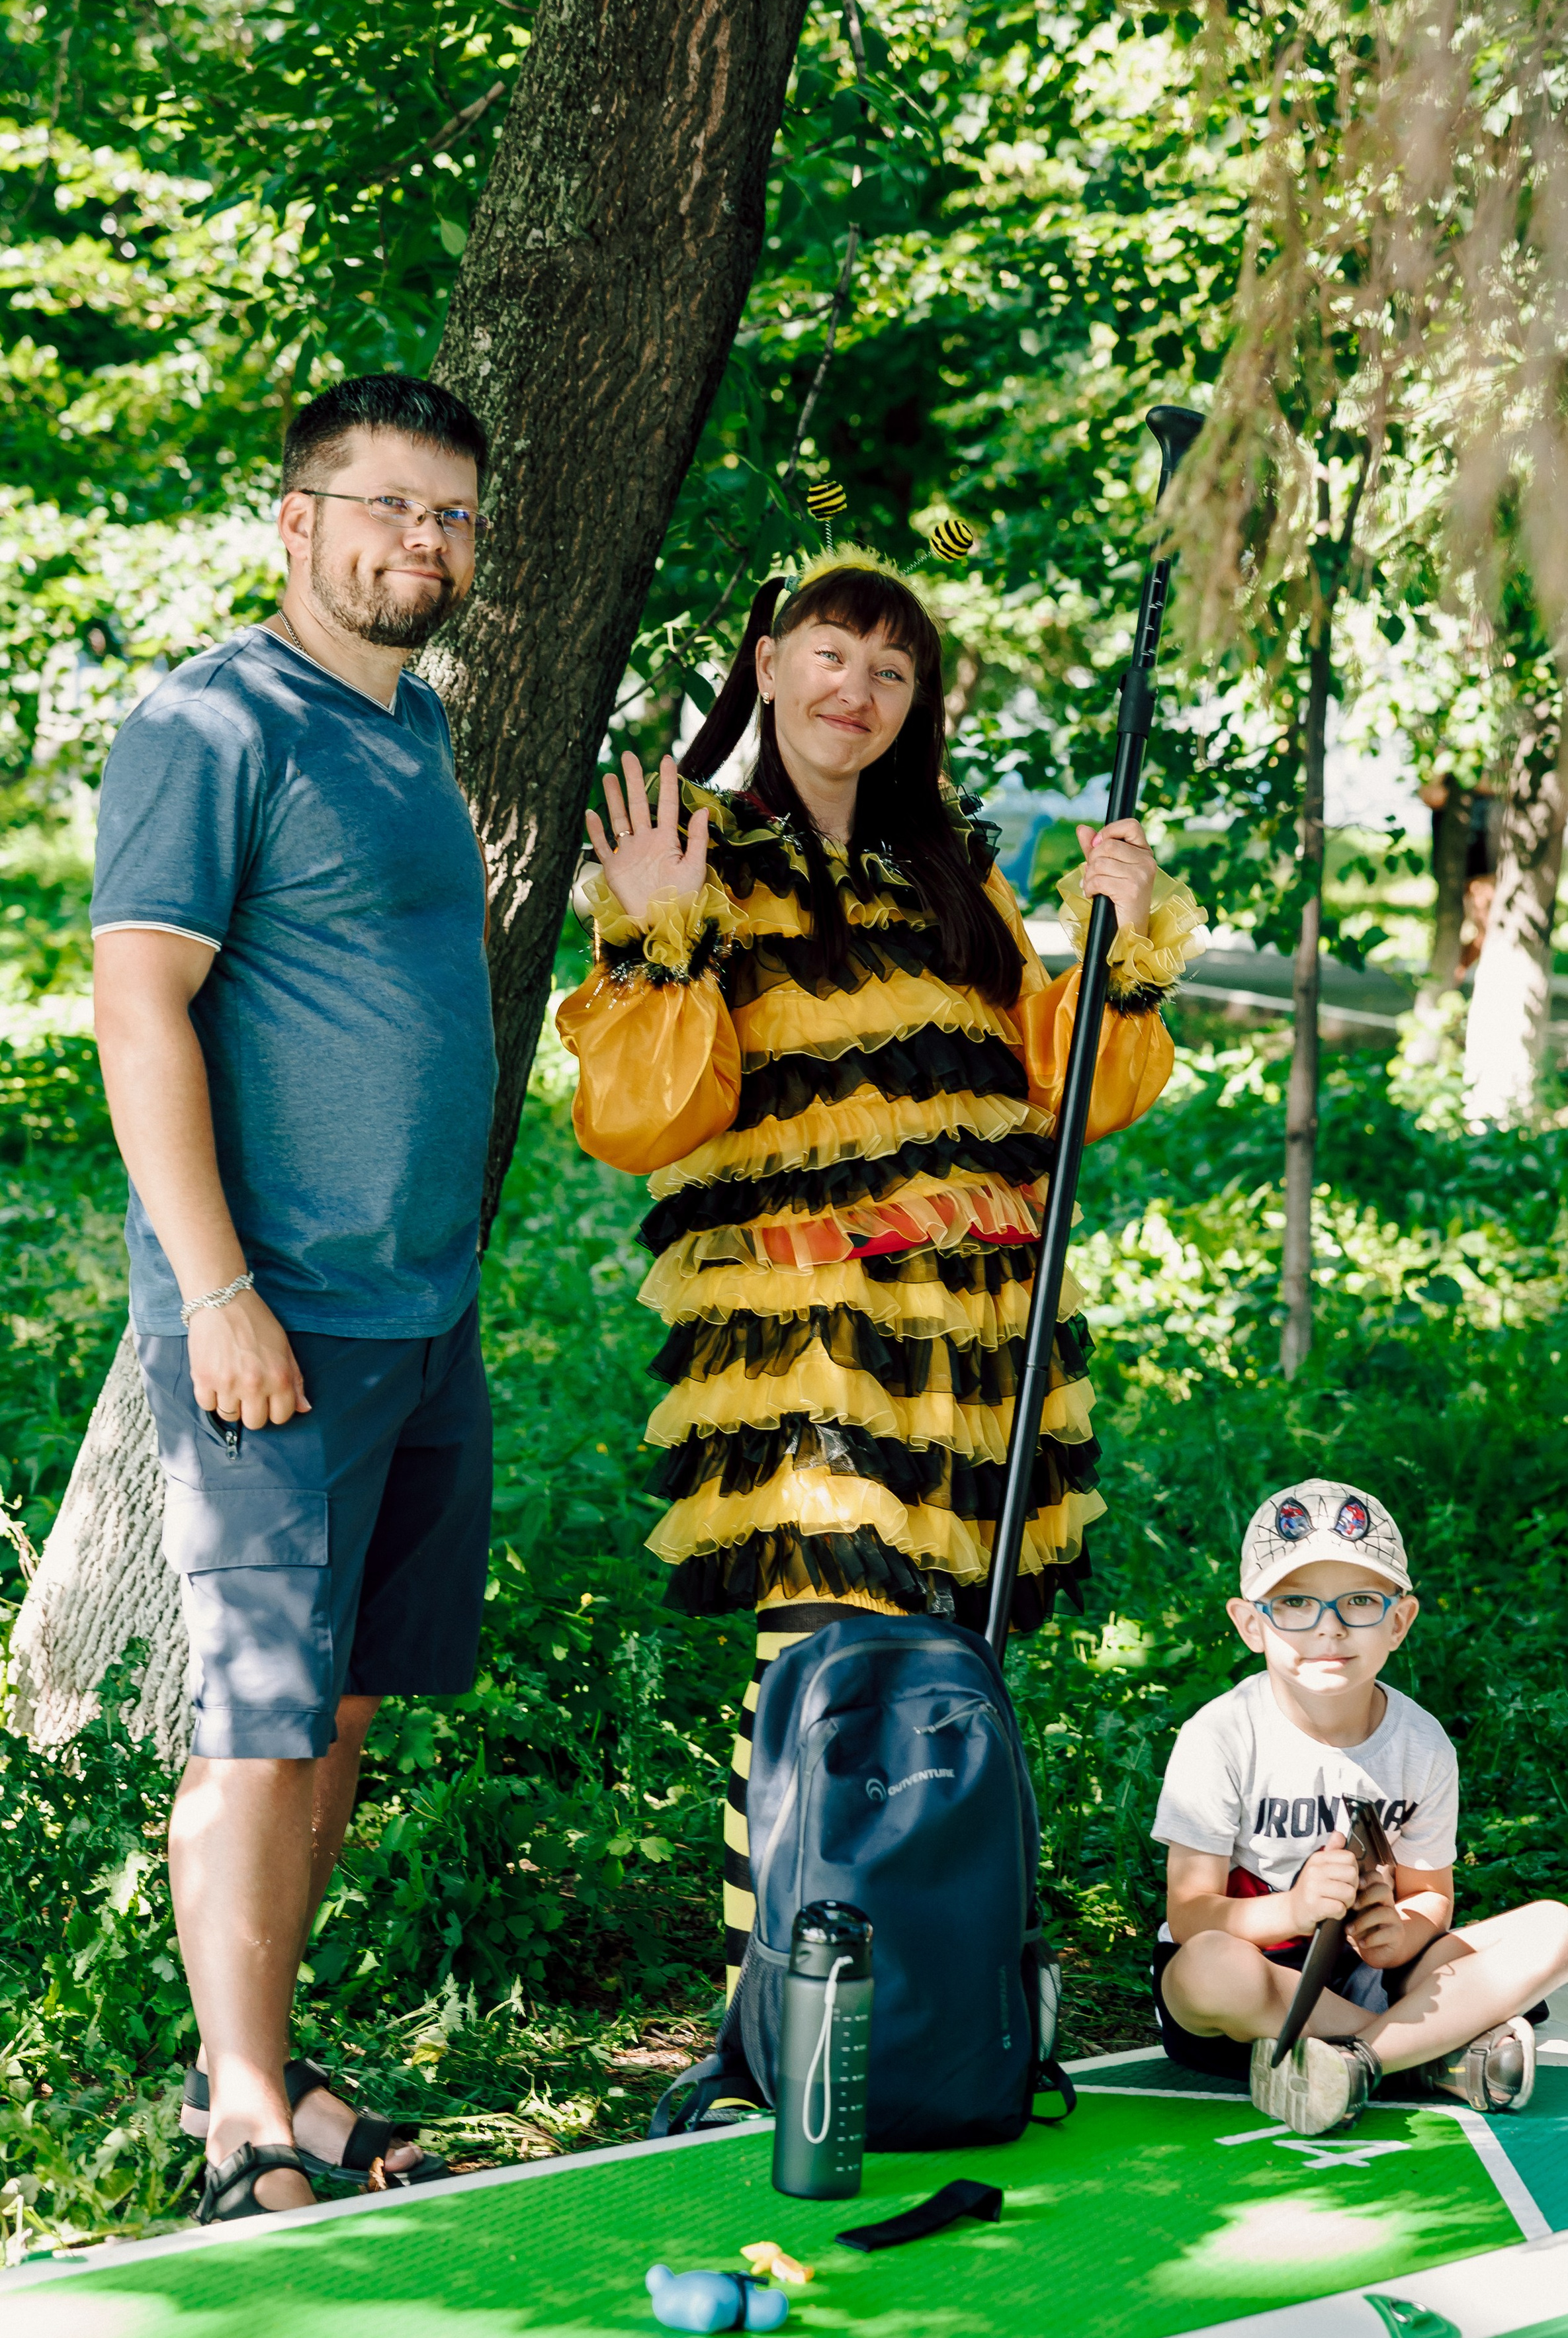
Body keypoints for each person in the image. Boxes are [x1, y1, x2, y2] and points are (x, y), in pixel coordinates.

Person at [554, 544, 1205, 1986]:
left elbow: (1065, 1090)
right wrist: (660, 937)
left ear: (918, 706)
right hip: (807, 1332)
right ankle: (766, 2009)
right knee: (820, 1670)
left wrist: (1116, 943)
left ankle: (907, 2001)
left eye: (892, 670)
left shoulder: (950, 869)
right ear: (770, 668)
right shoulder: (699, 858)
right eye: (829, 654)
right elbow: (640, 1116)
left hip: (972, 1336)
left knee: (941, 1673)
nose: (856, 690)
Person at [90, 374, 498, 2222]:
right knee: (254, 1716)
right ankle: (241, 2117)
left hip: (419, 1316)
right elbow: (138, 1004)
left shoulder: (406, 731)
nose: (424, 544)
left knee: (338, 1712)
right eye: (389, 507)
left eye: (452, 519)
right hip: (276, 1319)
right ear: (298, 515)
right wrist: (219, 1288)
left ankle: (260, 2050)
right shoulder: (214, 717)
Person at [1152, 1477, 1568, 2136]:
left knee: (1559, 1930)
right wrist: (1294, 1910)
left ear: (1399, 1621)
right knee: (1206, 1970)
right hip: (1252, 1999)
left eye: (1358, 1601)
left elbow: (1429, 1897)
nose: (1327, 1627)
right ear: (1249, 1623)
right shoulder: (1219, 1736)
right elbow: (1189, 1917)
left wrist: (1400, 1932)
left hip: (1370, 1978)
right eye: (1294, 1603)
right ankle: (1428, 2055)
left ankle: (1359, 2063)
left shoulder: (1420, 1743)